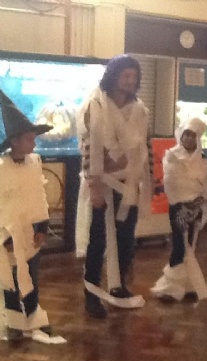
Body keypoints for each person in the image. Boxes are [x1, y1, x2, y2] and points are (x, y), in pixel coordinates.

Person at [75, 54, 152, 318]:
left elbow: (144, 148)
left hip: (128, 184)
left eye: (134, 76)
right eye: (125, 75)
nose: (130, 81)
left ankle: (118, 287)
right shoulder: (95, 105)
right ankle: (92, 294)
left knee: (125, 239)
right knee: (97, 240)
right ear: (114, 76)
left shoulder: (140, 110)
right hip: (101, 183)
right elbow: (88, 147)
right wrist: (95, 186)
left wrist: (144, 182)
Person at [0, 90, 66, 344]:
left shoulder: (34, 162)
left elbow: (39, 197)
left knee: (31, 276)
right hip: (7, 233)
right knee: (9, 279)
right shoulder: (2, 168)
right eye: (29, 139)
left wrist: (41, 227)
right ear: (15, 142)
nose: (34, 144)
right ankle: (14, 322)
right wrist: (6, 236)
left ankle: (33, 316)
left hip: (30, 232)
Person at [151, 118, 207, 303]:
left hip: (197, 208)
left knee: (191, 246)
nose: (189, 138)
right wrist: (188, 199)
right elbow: (173, 183)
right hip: (179, 208)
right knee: (180, 246)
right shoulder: (172, 156)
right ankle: (170, 289)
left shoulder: (202, 158)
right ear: (181, 135)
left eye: (193, 135)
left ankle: (187, 286)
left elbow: (205, 184)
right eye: (186, 134)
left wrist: (199, 201)